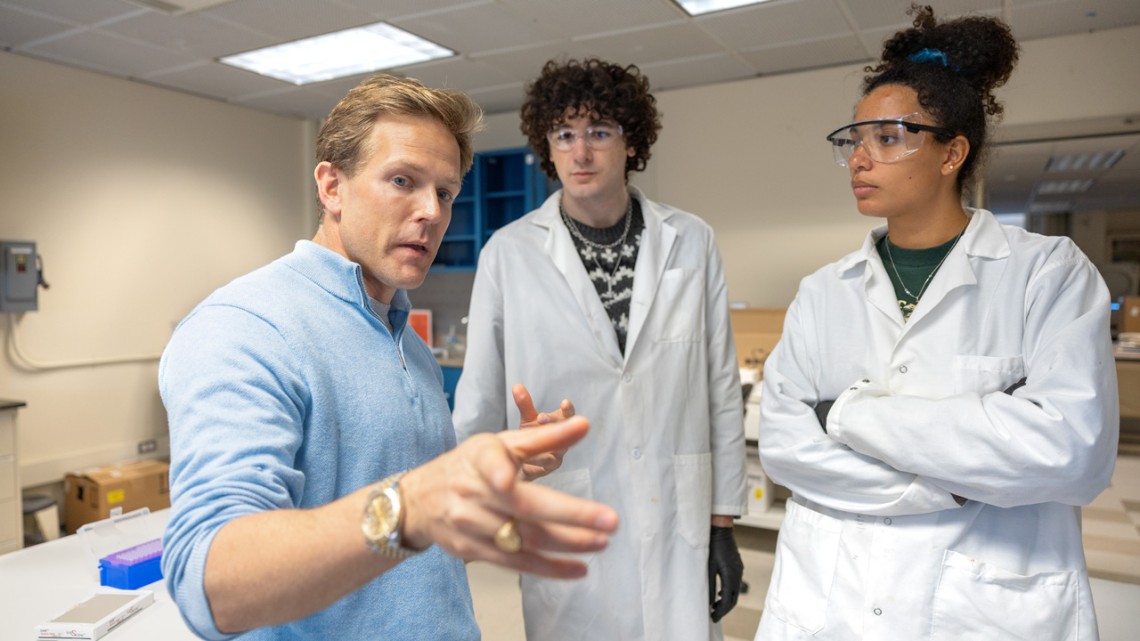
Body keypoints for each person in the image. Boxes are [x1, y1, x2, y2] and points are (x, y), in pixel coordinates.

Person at [159, 73, 619, 641]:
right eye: (403, 180)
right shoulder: (246, 328)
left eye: (445, 193)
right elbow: (211, 581)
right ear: (332, 186)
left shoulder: (404, 338)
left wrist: (487, 481)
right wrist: (415, 505)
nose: (431, 212)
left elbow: (407, 544)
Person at [755, 5, 1119, 640]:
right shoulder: (822, 291)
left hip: (980, 606)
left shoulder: (1046, 273)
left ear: (952, 152)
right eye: (854, 140)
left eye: (887, 138)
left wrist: (846, 415)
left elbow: (1072, 453)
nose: (860, 159)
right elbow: (785, 447)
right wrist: (954, 482)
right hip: (832, 597)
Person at [452, 57, 747, 640]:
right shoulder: (509, 254)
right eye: (564, 135)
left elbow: (719, 385)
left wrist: (722, 523)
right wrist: (468, 513)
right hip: (564, 508)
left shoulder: (690, 240)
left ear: (630, 141)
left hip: (676, 514)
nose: (581, 152)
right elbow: (480, 397)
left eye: (599, 132)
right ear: (548, 147)